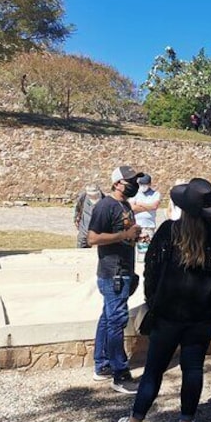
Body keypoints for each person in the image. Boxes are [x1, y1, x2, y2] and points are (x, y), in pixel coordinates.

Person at [102, 178, 211, 422]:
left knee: (154, 369)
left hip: (169, 313)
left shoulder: (168, 232)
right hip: (202, 314)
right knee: (193, 367)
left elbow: (151, 269)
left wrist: (153, 300)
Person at [87, 166, 144, 394]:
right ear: (118, 183)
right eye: (130, 181)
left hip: (124, 269)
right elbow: (91, 238)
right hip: (113, 272)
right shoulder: (105, 206)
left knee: (108, 317)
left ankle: (102, 365)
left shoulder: (125, 206)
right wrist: (123, 236)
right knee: (116, 321)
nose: (134, 185)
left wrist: (134, 236)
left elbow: (125, 234)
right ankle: (120, 373)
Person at [129, 174, 161, 262]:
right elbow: (132, 207)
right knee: (135, 246)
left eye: (144, 184)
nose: (142, 186)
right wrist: (148, 207)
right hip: (136, 224)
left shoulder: (155, 194)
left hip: (149, 225)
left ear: (149, 184)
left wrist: (140, 204)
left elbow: (154, 206)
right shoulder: (135, 194)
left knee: (146, 246)